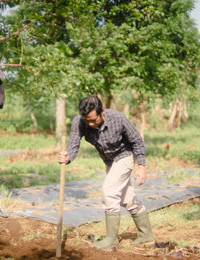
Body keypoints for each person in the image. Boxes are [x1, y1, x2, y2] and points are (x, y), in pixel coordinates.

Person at [57, 95, 155, 249]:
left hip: (125, 156)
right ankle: (146, 236)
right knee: (127, 199)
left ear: (102, 111)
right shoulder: (80, 121)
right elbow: (73, 144)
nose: (90, 123)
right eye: (87, 120)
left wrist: (141, 166)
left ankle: (112, 239)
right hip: (109, 162)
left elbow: (137, 140)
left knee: (109, 191)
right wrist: (67, 156)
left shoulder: (118, 118)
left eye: (93, 120)